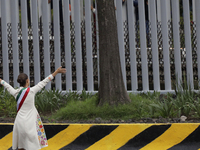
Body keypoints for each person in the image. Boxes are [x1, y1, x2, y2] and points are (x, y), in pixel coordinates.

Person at [0, 66, 66, 150]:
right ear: (27, 81)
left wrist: (1, 80)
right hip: (31, 122)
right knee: (33, 145)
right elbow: (44, 82)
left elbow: (7, 86)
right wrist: (56, 72)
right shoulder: (32, 91)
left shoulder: (15, 93)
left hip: (19, 122)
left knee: (21, 145)